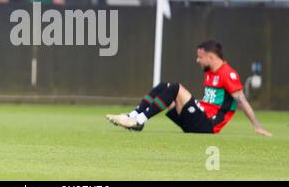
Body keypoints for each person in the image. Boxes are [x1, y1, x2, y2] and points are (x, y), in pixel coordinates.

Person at [106, 40, 272, 137]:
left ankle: (139, 120)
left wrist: (257, 126)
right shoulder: (210, 72)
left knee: (176, 88)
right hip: (198, 120)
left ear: (211, 57)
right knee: (165, 87)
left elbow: (241, 101)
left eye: (200, 57)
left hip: (207, 126)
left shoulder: (228, 74)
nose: (197, 60)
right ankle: (134, 116)